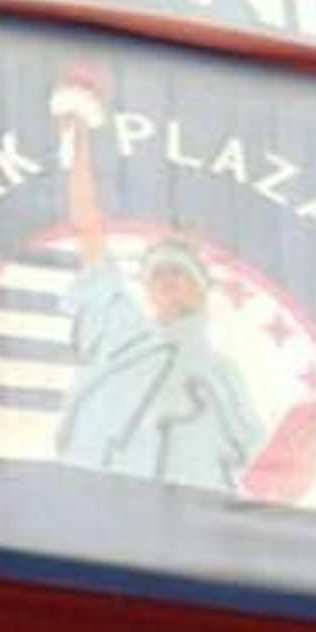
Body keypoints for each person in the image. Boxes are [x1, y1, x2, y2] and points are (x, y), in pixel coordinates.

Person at [49, 70, 264, 493]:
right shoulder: (125, 338)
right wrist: (79, 143)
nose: (168, 283)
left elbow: (261, 473)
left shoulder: (223, 376)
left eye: (178, 274)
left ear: (201, 288)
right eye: (158, 276)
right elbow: (90, 236)